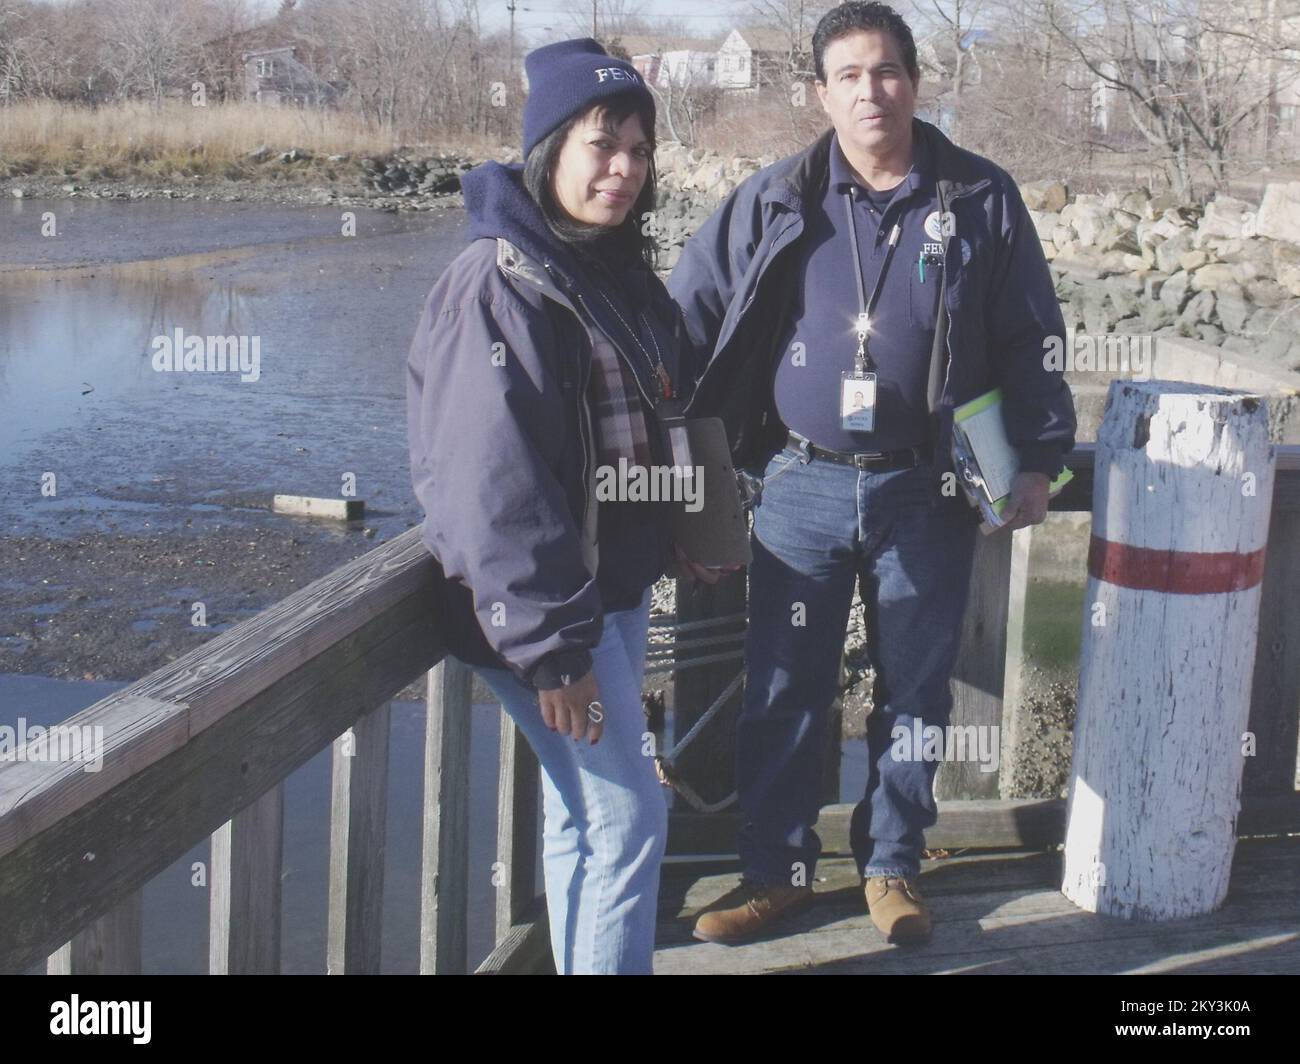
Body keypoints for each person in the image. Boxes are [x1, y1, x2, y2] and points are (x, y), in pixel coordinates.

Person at [668, 1, 1076, 945]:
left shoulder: (978, 196)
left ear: (914, 81)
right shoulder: (778, 197)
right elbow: (688, 315)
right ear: (820, 93)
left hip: (927, 487)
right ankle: (777, 873)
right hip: (798, 485)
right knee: (783, 687)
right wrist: (646, 441)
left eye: (885, 70)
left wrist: (1043, 460)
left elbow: (1033, 335)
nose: (870, 91)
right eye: (848, 75)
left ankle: (893, 868)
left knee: (917, 692)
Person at [405, 38, 710, 974]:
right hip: (544, 616)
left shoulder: (604, 267)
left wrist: (686, 521)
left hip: (602, 592)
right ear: (548, 149)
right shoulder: (503, 284)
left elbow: (664, 405)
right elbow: (493, 485)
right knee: (628, 818)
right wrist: (552, 651)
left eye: (639, 150)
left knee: (588, 818)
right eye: (600, 144)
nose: (623, 169)